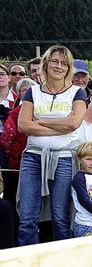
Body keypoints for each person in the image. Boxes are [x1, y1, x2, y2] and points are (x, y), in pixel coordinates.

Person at [16, 45, 87, 245]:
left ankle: (63, 264)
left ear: (69, 68)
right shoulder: (32, 92)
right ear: (46, 65)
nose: (59, 66)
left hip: (64, 158)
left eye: (64, 63)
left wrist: (39, 121)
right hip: (33, 157)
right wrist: (60, 126)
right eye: (55, 61)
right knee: (28, 216)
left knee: (60, 216)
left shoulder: (77, 93)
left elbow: (74, 123)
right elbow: (23, 125)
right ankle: (27, 263)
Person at [0, 78, 36, 207]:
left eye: (31, 90)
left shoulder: (43, 113)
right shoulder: (15, 114)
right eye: (24, 90)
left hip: (39, 163)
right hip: (17, 166)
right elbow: (5, 141)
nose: (28, 93)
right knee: (14, 199)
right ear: (19, 94)